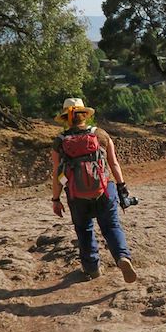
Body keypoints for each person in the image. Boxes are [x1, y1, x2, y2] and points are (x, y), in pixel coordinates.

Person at [50, 98, 137, 283]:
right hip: (105, 190)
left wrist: (55, 199)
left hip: (76, 194)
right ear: (85, 115)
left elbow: (57, 172)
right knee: (112, 227)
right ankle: (122, 258)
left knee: (84, 230)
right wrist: (122, 187)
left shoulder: (60, 141)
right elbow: (113, 163)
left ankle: (92, 269)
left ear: (66, 118)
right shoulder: (100, 135)